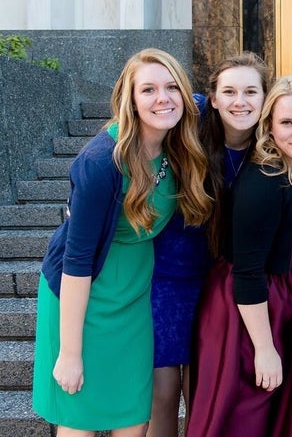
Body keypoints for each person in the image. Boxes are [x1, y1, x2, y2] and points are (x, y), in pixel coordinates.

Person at [32, 48, 212, 436]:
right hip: (83, 297)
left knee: (134, 418)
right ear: (129, 100)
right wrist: (70, 352)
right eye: (147, 90)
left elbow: (228, 101)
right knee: (79, 418)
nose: (162, 98)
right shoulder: (101, 161)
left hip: (133, 300)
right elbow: (77, 261)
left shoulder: (176, 144)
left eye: (171, 87)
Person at [186, 75, 292, 437]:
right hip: (250, 314)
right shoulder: (264, 180)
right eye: (286, 122)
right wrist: (264, 349)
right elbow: (247, 273)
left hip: (288, 303)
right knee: (245, 417)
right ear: (269, 126)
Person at [148, 52, 270, 436]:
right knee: (163, 394)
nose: (240, 101)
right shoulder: (190, 121)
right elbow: (128, 128)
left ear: (266, 97)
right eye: (229, 91)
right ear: (212, 98)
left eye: (251, 91)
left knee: (203, 396)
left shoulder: (271, 147)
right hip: (165, 276)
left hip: (220, 282)